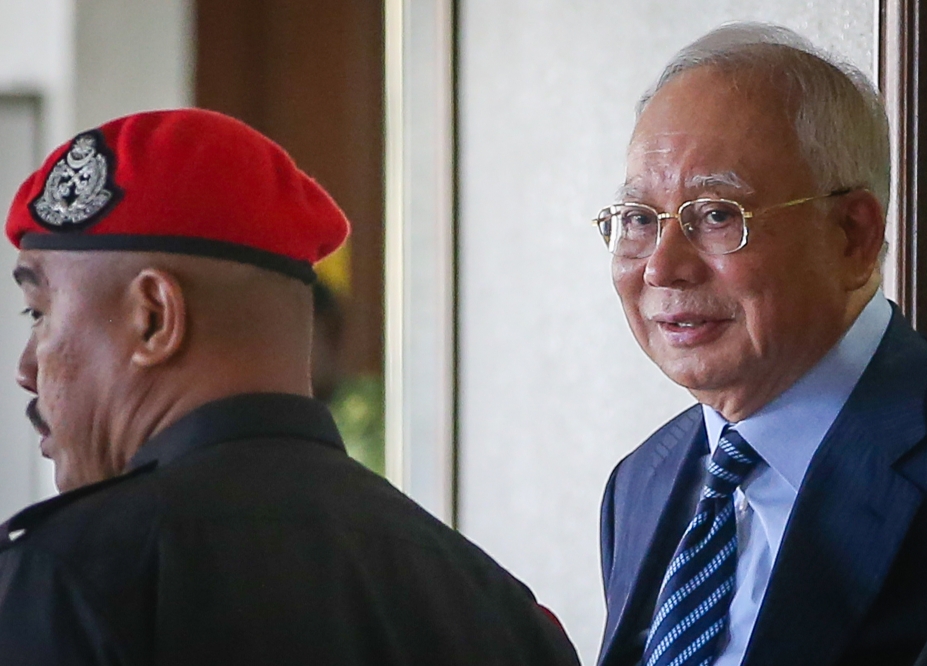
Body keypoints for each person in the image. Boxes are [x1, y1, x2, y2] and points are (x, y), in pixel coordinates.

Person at [0, 109, 580, 666]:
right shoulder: (491, 605)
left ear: (153, 318)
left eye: (38, 313)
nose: (27, 369)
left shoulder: (68, 582)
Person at [594, 23, 927, 666]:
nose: (661, 268)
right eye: (641, 220)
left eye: (718, 214)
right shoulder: (641, 482)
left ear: (851, 236)